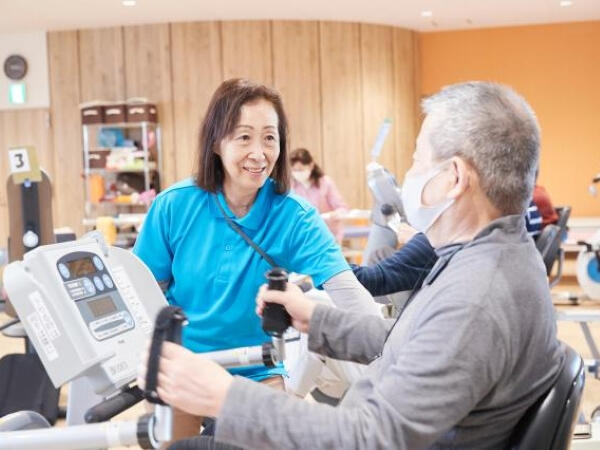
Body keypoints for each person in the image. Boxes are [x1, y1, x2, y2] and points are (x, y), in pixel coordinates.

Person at [140, 81, 565, 449]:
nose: (407, 175)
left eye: (417, 159)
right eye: (242, 137)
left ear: (453, 177)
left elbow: (367, 438)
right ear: (216, 142)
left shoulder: (475, 298)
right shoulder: (493, 262)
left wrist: (227, 396)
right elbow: (413, 339)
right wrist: (321, 321)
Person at [133, 78, 380, 443]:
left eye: (269, 137)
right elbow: (142, 291)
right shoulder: (174, 205)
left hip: (256, 366)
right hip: (184, 363)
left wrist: (391, 351)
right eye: (243, 136)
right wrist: (148, 360)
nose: (259, 151)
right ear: (216, 142)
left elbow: (347, 291)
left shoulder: (294, 215)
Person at [290, 148, 348, 244]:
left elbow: (342, 208)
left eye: (300, 169)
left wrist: (336, 214)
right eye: (295, 170)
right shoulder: (291, 186)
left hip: (328, 233)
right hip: (303, 235)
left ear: (311, 165)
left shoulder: (325, 183)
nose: (298, 173)